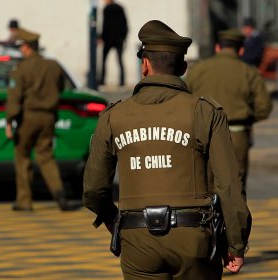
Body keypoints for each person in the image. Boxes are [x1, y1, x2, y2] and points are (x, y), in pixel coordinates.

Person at [83, 20, 251, 279]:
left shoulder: (113, 116)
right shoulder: (204, 112)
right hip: (194, 238)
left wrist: (111, 219)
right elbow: (228, 184)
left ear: (145, 65)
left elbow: (94, 188)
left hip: (137, 239)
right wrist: (236, 243)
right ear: (182, 67)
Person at [185, 29, 272, 194]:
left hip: (203, 135)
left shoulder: (198, 70)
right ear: (241, 50)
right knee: (234, 190)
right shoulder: (249, 72)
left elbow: (184, 98)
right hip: (236, 135)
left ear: (217, 48)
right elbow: (264, 107)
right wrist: (247, 117)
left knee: (205, 188)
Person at [5, 28, 72, 211]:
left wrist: (10, 121)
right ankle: (59, 194)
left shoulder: (20, 69)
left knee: (23, 156)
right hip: (49, 117)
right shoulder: (52, 65)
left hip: (28, 117)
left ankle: (24, 201)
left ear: (26, 48)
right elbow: (62, 86)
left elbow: (14, 97)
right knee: (46, 156)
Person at [98, 0, 128, 87]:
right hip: (119, 39)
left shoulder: (106, 9)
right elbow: (125, 24)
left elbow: (105, 25)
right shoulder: (120, 8)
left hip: (108, 39)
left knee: (103, 60)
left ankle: (102, 80)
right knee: (120, 60)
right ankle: (122, 81)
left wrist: (102, 37)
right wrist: (123, 38)